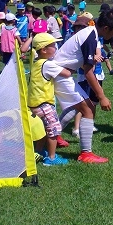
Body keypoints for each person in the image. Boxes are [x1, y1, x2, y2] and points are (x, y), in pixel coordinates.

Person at [53, 11, 113, 163]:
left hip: (61, 73)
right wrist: (102, 96)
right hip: (59, 74)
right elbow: (88, 71)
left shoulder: (92, 33)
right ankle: (86, 154)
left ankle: (54, 136)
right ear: (105, 28)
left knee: (79, 106)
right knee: (88, 109)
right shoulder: (91, 37)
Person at [27, 33, 69, 166]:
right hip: (44, 104)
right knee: (53, 129)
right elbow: (66, 74)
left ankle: (39, 151)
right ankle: (51, 158)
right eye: (53, 46)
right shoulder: (47, 64)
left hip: (34, 104)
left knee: (43, 129)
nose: (56, 48)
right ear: (44, 50)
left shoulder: (36, 62)